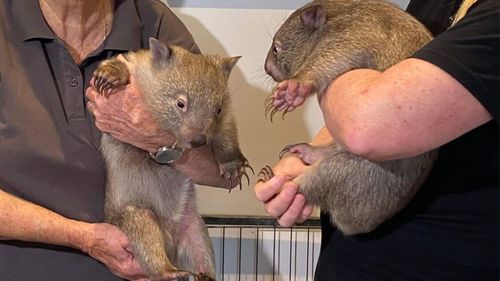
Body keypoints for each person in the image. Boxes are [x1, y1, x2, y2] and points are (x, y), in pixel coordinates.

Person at [254, 0, 499, 280]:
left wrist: (315, 70)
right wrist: (315, 155)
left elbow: (364, 126)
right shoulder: (436, 4)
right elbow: (386, 93)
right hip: (356, 258)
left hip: (438, 263)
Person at [0, 0, 233, 280]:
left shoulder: (150, 21)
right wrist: (84, 238)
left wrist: (153, 137)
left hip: (143, 267)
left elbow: (224, 173)